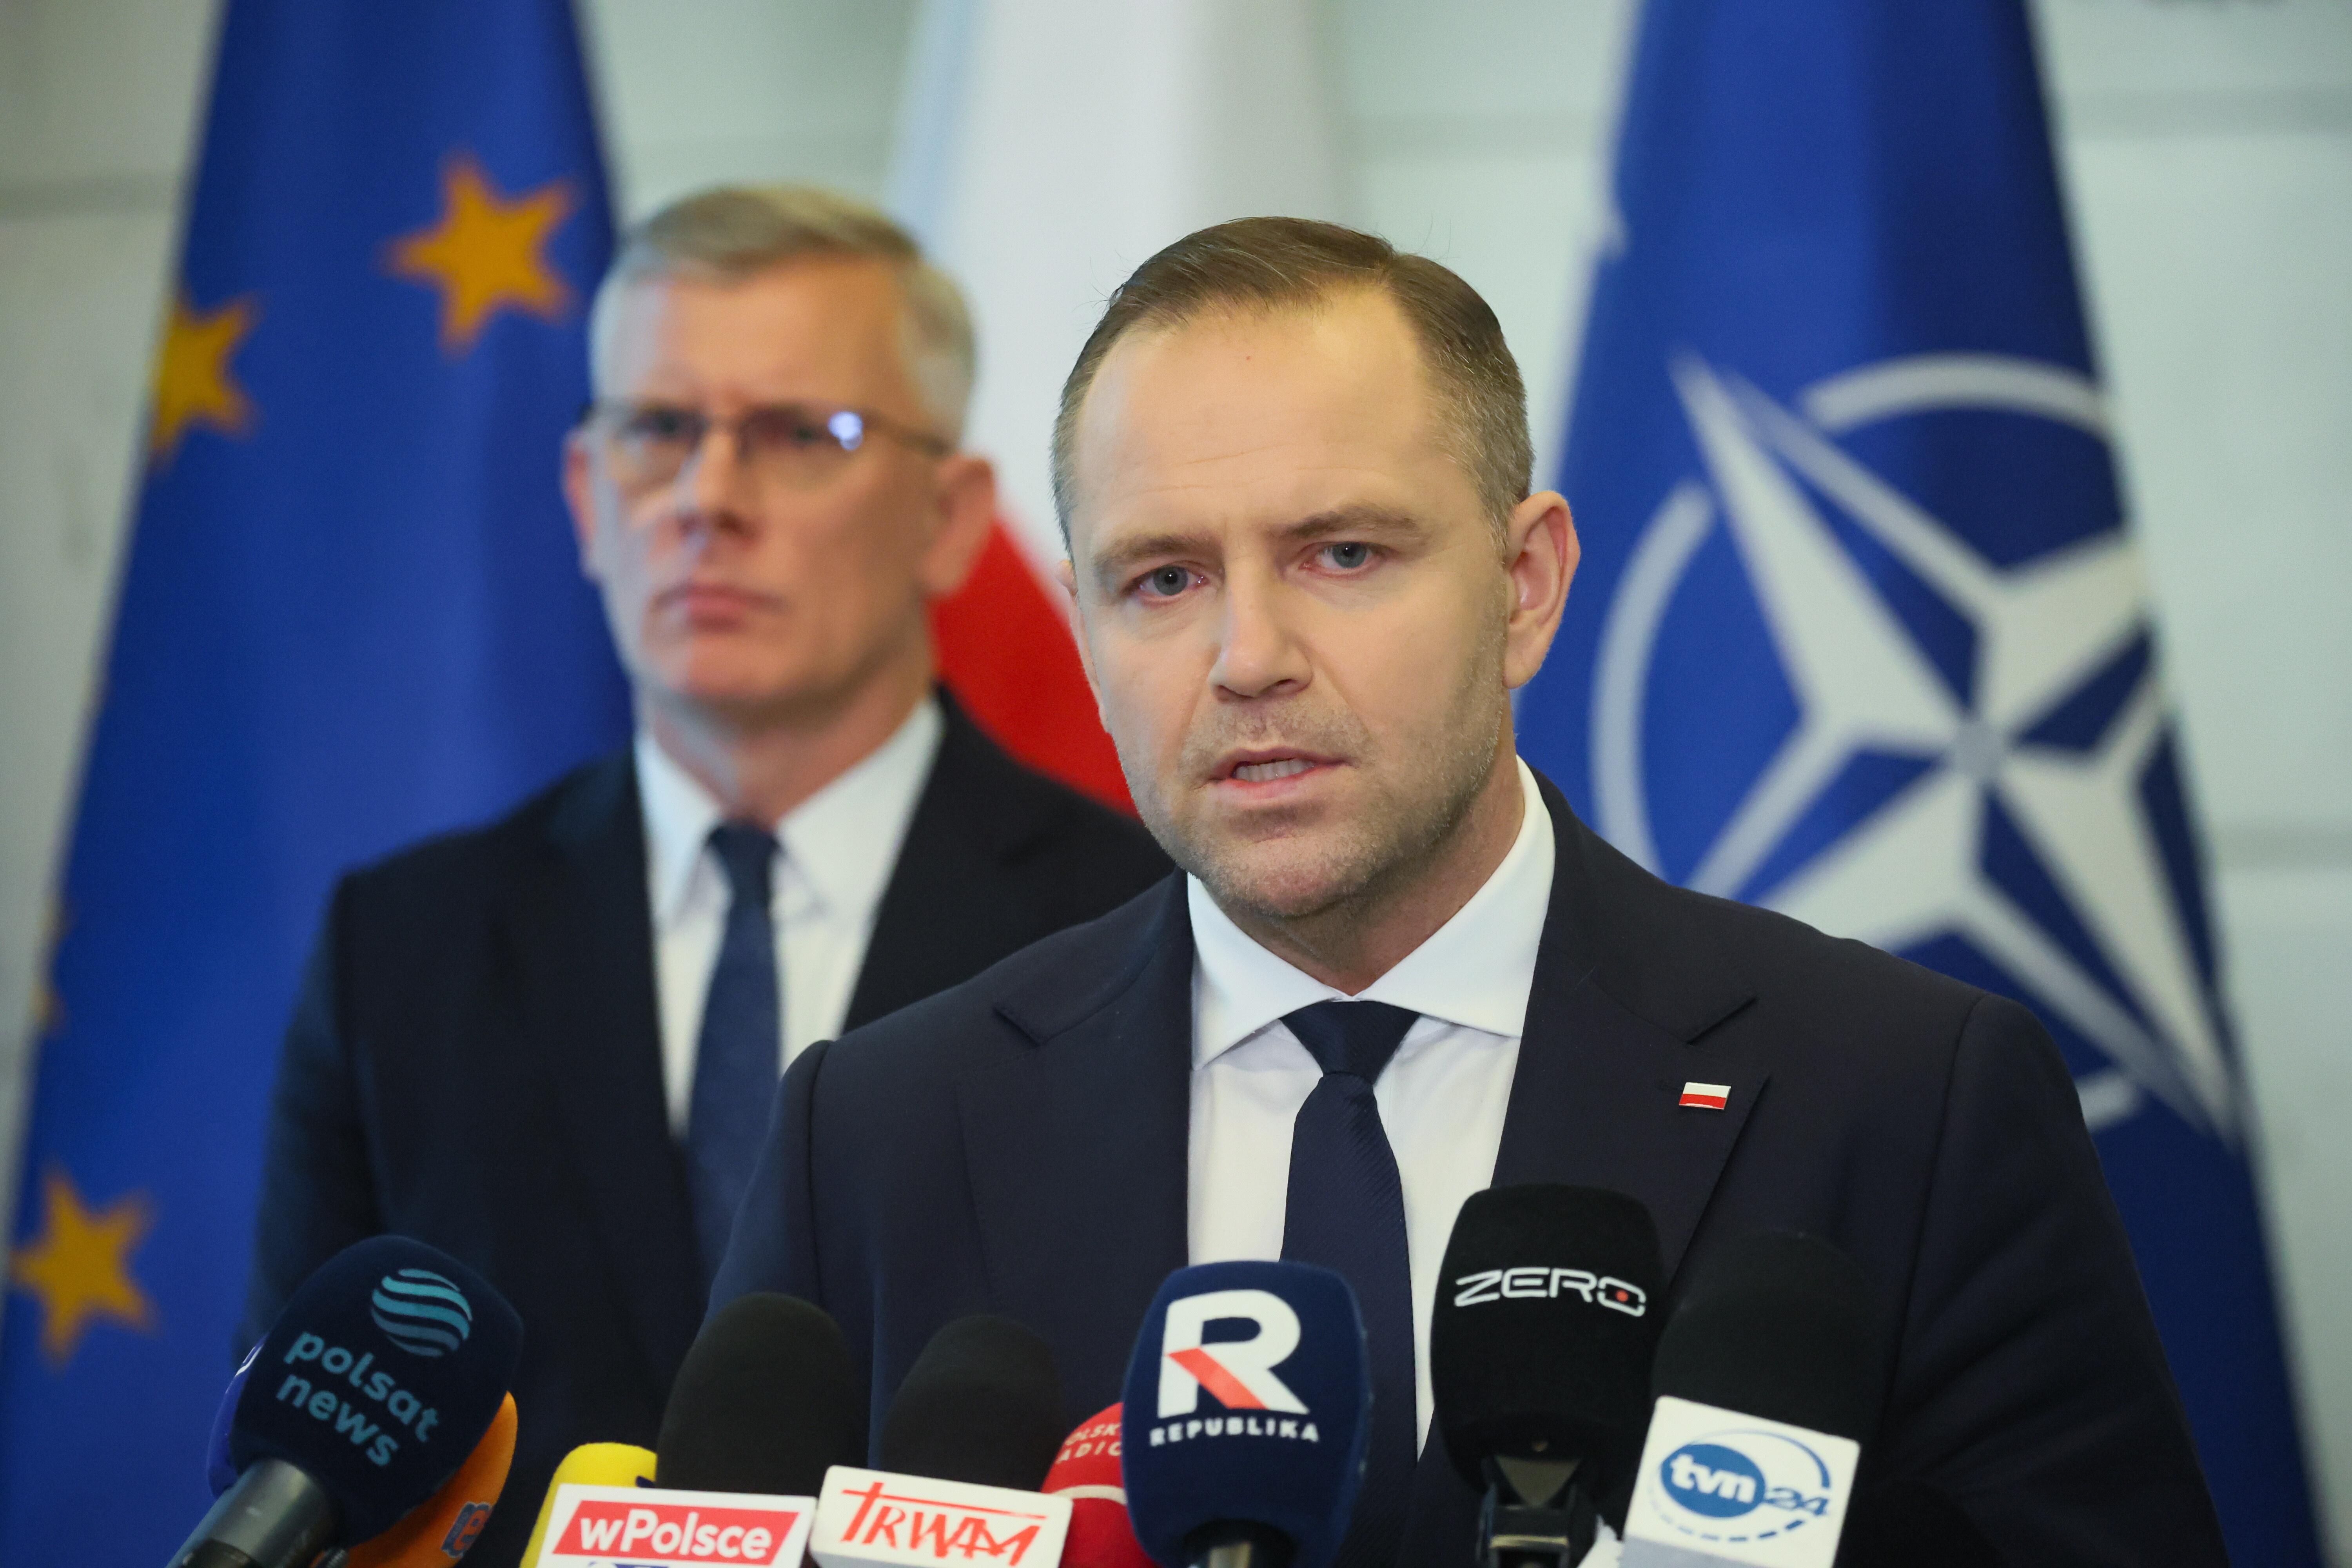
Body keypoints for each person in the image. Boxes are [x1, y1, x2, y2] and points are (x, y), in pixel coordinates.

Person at [712, 218, 2226, 1566]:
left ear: (1526, 586)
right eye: (1162, 577)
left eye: (1344, 552)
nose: (1248, 658)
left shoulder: (1904, 1100)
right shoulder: (880, 1131)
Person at [241, 186, 1169, 1568]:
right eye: (658, 431)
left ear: (950, 518)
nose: (709, 499)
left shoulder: (1145, 921)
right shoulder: (404, 947)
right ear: (583, 494)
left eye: (803, 436)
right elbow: (307, 1475)